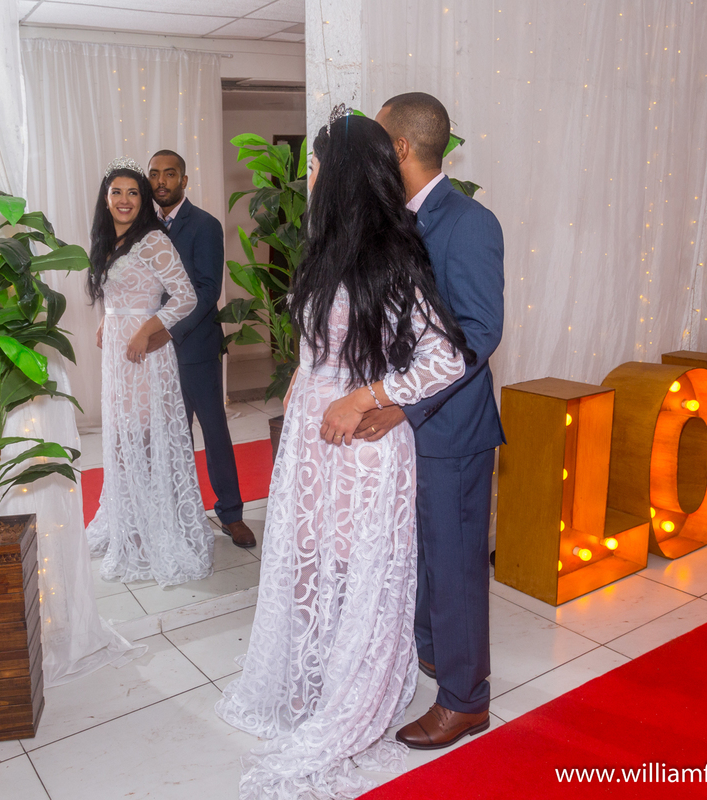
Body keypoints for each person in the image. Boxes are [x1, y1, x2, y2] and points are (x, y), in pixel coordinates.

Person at [215, 109, 473, 799]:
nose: (310, 173)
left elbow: (447, 357)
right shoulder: (323, 248)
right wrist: (307, 388)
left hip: (361, 446)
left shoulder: (394, 254)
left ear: (344, 173)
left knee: (358, 569)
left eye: (318, 162)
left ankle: (352, 695)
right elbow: (314, 345)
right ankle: (312, 678)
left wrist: (365, 397)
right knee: (310, 558)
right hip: (310, 438)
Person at [354, 92, 505, 750]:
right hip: (407, 427)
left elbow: (477, 335)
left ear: (401, 149)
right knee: (422, 562)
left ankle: (466, 700)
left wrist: (399, 405)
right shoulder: (397, 220)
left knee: (455, 568)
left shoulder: (468, 222)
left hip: (451, 432)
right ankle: (440, 655)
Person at [85, 156, 214, 587]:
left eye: (133, 193)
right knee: (121, 439)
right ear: (105, 199)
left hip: (144, 355)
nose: (125, 200)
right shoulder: (108, 242)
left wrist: (148, 329)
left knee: (142, 437)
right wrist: (108, 318)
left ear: (143, 201)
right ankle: (129, 523)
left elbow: (186, 297)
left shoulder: (154, 240)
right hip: (116, 358)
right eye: (117, 192)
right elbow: (117, 290)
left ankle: (156, 531)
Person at [143, 149, 255, 548]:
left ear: (184, 180)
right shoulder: (143, 228)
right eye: (154, 174)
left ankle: (231, 513)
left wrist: (169, 331)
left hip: (195, 349)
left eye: (169, 174)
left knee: (214, 431)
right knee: (169, 435)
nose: (161, 181)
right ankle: (178, 511)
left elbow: (209, 290)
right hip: (154, 354)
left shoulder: (205, 225)